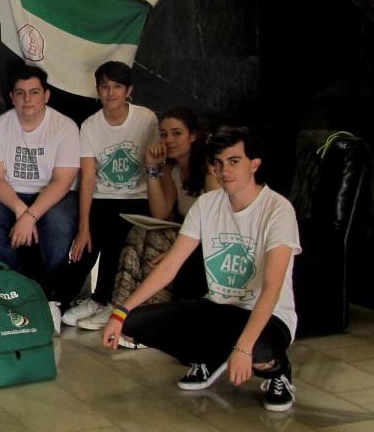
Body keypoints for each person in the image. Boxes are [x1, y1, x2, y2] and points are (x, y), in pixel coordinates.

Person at [102, 126, 301, 412]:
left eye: (234, 161)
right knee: (133, 324)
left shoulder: (277, 210)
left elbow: (272, 287)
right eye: (218, 163)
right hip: (218, 308)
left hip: (269, 316)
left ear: (254, 164)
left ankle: (277, 372)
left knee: (259, 350)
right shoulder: (207, 204)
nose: (224, 171)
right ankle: (210, 358)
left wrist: (244, 348)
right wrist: (121, 311)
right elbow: (170, 265)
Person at [108, 106, 220, 339]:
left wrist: (175, 250)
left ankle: (151, 318)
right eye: (164, 134)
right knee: (139, 232)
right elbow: (160, 213)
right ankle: (121, 310)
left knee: (157, 246)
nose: (168, 140)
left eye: (176, 133)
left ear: (193, 136)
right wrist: (152, 167)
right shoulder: (174, 170)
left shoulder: (209, 170)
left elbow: (215, 223)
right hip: (184, 235)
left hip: (207, 243)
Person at [62, 62, 157, 329]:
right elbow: (89, 177)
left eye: (117, 86)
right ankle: (60, 300)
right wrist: (83, 226)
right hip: (103, 198)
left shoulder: (146, 118)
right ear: (97, 90)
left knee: (117, 236)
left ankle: (107, 302)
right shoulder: (90, 126)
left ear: (129, 90)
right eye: (105, 86)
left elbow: (155, 164)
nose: (111, 92)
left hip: (138, 198)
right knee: (86, 243)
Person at [0, 63, 79, 300]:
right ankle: (14, 284)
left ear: (46, 95)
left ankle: (43, 290)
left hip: (55, 196)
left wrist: (30, 216)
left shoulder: (65, 127)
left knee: (59, 224)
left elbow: (62, 182)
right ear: (12, 97)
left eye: (34, 92)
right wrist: (21, 210)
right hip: (11, 194)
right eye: (20, 93)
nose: (27, 99)